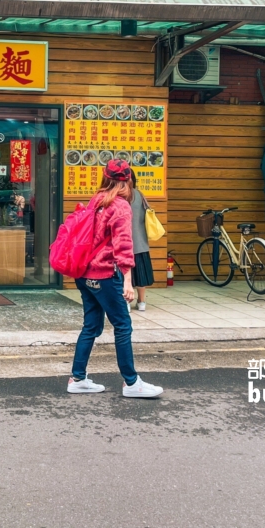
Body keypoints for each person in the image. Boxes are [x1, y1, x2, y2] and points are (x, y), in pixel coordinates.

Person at [68, 159, 163, 398]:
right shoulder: (120, 206)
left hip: (84, 273)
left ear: (106, 178)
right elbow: (123, 245)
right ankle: (131, 383)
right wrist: (128, 281)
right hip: (104, 274)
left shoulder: (97, 199)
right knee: (122, 325)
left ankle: (77, 378)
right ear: (128, 179)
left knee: (91, 326)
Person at [130, 171, 153, 311]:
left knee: (126, 275)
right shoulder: (139, 194)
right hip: (140, 242)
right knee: (141, 276)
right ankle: (142, 302)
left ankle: (126, 302)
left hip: (123, 243)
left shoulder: (119, 196)